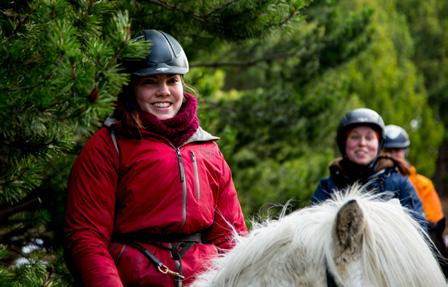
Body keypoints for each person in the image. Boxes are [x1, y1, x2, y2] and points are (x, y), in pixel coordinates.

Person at [64, 29, 247, 287]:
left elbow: (231, 238)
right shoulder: (107, 147)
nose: (164, 91)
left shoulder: (207, 149)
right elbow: (86, 236)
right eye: (150, 82)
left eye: (172, 80)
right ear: (131, 88)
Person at [311, 108, 427, 228]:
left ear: (379, 144)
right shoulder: (328, 186)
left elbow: (419, 227)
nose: (362, 143)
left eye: (369, 137)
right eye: (355, 137)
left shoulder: (399, 184)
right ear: (343, 143)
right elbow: (312, 228)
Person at [382, 124, 448, 277]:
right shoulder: (374, 181)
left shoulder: (422, 184)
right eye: (388, 150)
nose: (393, 155)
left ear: (405, 151)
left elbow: (434, 222)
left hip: (417, 244)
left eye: (397, 150)